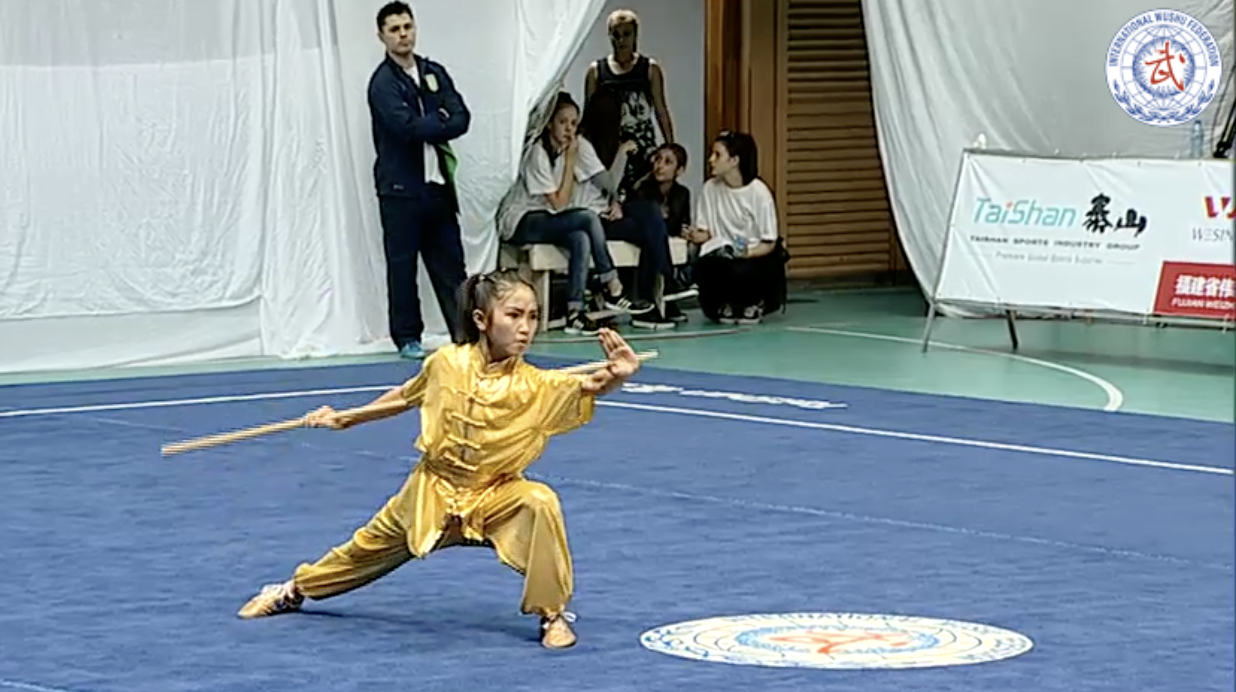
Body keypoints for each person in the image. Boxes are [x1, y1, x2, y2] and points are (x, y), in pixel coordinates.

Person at [236, 269, 643, 650]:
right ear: (482, 319)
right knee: (362, 550)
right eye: (515, 315)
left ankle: (552, 615)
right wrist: (349, 416)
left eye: (533, 317)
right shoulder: (446, 363)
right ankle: (292, 591)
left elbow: (589, 384)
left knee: (540, 502)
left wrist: (620, 374)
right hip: (431, 490)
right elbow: (406, 394)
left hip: (495, 495)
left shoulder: (536, 384)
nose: (526, 327)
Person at [496, 91, 650, 335]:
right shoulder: (538, 152)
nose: (569, 129)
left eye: (573, 123)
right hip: (521, 220)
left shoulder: (575, 147)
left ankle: (575, 312)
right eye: (562, 122)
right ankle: (612, 283)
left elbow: (587, 191)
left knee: (581, 237)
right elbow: (559, 202)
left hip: (548, 217)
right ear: (549, 124)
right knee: (587, 217)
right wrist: (570, 160)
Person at [368, 1, 470, 359]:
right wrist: (438, 118)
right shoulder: (382, 84)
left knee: (452, 266)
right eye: (394, 29)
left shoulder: (433, 72)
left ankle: (465, 334)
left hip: (438, 188)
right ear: (382, 36)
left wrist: (436, 119)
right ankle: (407, 337)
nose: (403, 35)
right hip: (400, 192)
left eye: (407, 27)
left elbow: (462, 117)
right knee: (402, 266)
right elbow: (405, 128)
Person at [686, 131, 788, 325]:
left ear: (734, 160)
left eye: (717, 155)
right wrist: (694, 235)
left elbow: (769, 242)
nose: (711, 160)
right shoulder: (710, 188)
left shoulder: (759, 192)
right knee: (705, 266)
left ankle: (752, 302)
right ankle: (726, 303)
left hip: (753, 255)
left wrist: (743, 253)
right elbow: (705, 232)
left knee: (746, 268)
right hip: (722, 254)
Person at [584, 9, 675, 197]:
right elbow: (589, 118)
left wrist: (670, 148)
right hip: (610, 149)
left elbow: (661, 110)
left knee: (644, 198)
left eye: (626, 34)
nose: (621, 40)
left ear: (635, 35)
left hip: (643, 146)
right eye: (616, 35)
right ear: (609, 36)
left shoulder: (649, 69)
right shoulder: (596, 72)